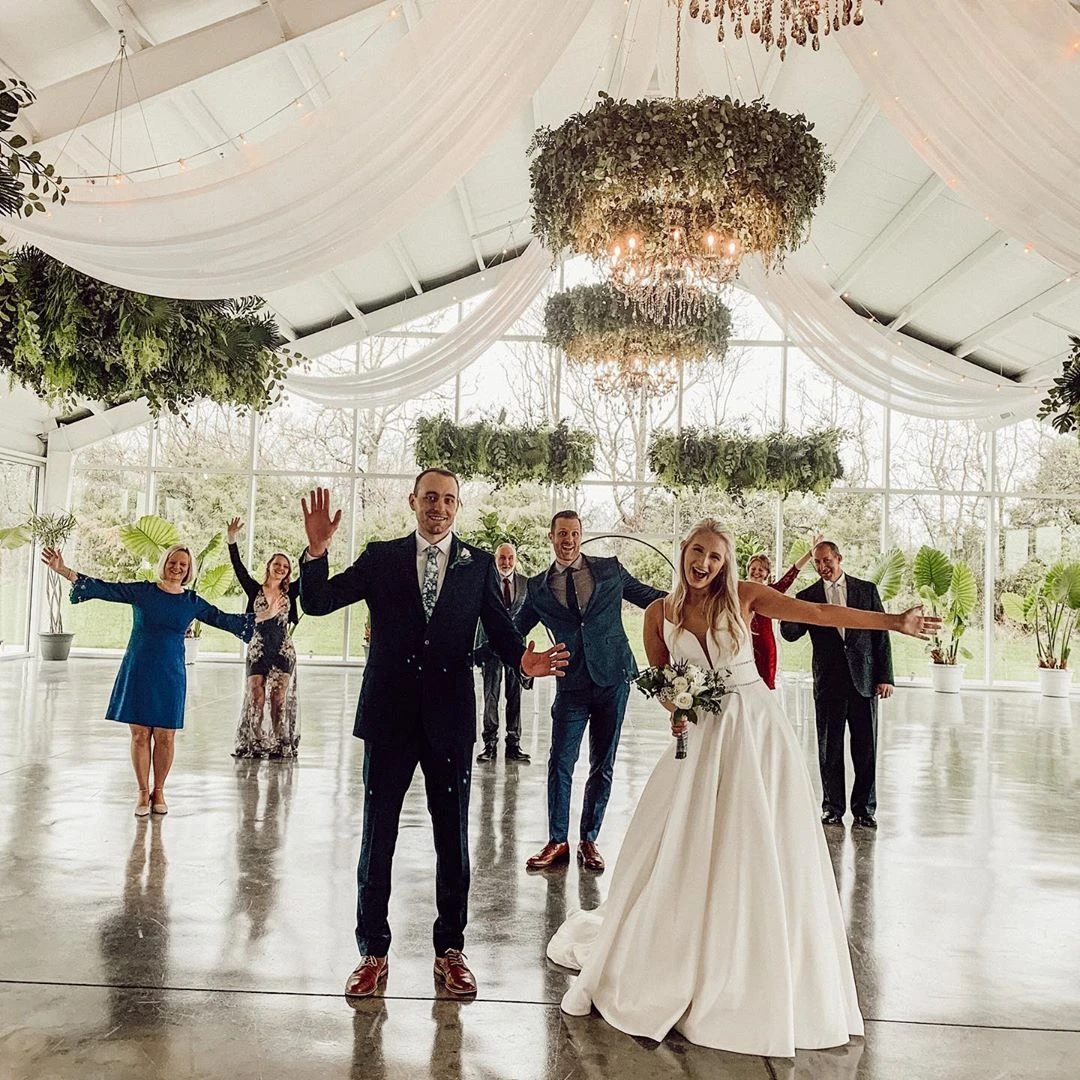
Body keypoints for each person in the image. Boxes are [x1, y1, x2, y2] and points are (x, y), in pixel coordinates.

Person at [546, 520, 938, 1057]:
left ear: (725, 563)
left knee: (755, 839)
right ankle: (681, 950)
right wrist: (676, 710)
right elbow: (662, 681)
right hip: (701, 740)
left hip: (755, 731)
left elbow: (820, 613)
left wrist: (894, 621)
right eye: (697, 552)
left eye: (714, 556)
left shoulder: (747, 597)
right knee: (685, 844)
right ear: (684, 552)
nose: (703, 563)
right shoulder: (660, 613)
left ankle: (752, 953)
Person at [297, 473, 569, 1000]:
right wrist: (316, 550)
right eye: (430, 498)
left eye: (448, 499)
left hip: (448, 721)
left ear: (458, 506)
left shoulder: (479, 565)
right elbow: (318, 603)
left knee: (453, 839)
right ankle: (372, 952)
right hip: (388, 717)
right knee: (379, 837)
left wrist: (525, 661)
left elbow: (502, 629)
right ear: (413, 503)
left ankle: (450, 950)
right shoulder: (380, 557)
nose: (438, 508)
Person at [42, 543, 282, 816]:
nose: (177, 567)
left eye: (183, 564)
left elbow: (225, 620)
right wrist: (63, 570)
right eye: (173, 562)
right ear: (165, 563)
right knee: (140, 734)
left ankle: (160, 791)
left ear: (188, 570)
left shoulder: (191, 602)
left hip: (171, 674)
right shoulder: (143, 591)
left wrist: (265, 615)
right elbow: (105, 588)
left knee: (166, 736)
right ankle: (143, 793)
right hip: (139, 668)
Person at [516, 511, 666, 875]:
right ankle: (557, 841)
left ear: (582, 536)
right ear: (551, 537)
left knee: (604, 762)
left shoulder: (610, 569)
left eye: (574, 533)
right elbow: (510, 632)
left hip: (613, 677)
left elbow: (652, 599)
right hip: (570, 683)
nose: (568, 540)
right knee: (560, 763)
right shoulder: (537, 587)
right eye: (562, 534)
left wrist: (702, 599)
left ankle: (589, 839)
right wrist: (522, 664)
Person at [780, 540, 894, 829]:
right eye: (817, 563)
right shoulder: (809, 596)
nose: (822, 567)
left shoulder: (866, 590)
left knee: (865, 749)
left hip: (864, 682)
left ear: (838, 558)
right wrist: (785, 605)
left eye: (826, 560)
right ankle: (832, 808)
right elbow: (789, 634)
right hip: (829, 684)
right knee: (829, 750)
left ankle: (865, 810)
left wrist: (885, 677)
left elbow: (881, 635)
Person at [226, 518, 302, 759]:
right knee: (256, 695)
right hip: (258, 648)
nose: (280, 568)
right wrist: (231, 540)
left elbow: (311, 574)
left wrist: (318, 544)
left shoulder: (292, 591)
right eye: (277, 564)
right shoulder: (254, 589)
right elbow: (238, 567)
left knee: (278, 698)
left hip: (282, 649)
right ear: (269, 566)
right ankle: (256, 740)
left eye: (285, 566)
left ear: (288, 572)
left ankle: (281, 742)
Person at [474, 542, 531, 764]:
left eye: (510, 558)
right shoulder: (485, 581)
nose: (506, 562)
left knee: (515, 696)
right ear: (496, 559)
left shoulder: (526, 584)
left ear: (515, 559)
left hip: (516, 650)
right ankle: (489, 744)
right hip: (489, 648)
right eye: (502, 558)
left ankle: (513, 745)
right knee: (491, 696)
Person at [745, 532, 822, 689]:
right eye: (753, 568)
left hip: (764, 645)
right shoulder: (738, 590)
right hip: (742, 644)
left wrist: (810, 553)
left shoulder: (772, 592)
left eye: (761, 569)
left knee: (764, 687)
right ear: (748, 570)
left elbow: (792, 573)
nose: (756, 572)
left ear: (767, 573)